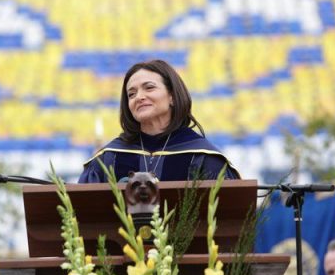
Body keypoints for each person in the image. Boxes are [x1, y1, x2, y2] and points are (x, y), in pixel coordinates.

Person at [78, 59, 240, 183]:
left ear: (172, 97)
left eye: (149, 88)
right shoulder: (109, 156)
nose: (139, 97)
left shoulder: (203, 156)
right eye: (131, 94)